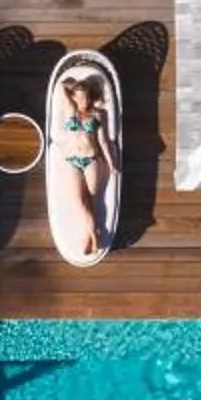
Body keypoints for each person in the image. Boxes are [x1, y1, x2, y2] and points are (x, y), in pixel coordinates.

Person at [51, 68, 113, 258]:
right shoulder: (70, 110)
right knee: (79, 201)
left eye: (87, 97)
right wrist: (75, 88)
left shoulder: (97, 114)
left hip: (92, 160)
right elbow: (62, 85)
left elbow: (104, 141)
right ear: (74, 98)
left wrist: (112, 164)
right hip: (73, 161)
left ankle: (90, 239)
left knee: (92, 201)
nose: (84, 101)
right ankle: (94, 234)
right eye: (80, 98)